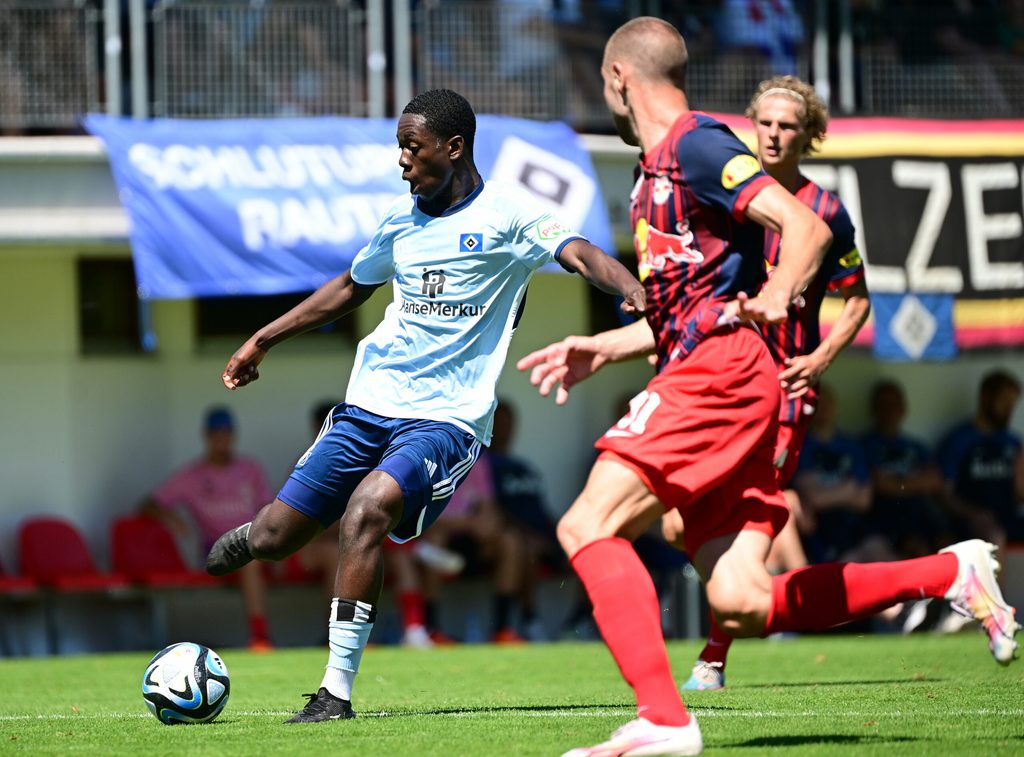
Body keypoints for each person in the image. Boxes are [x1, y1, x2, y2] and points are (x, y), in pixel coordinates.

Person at [517, 18, 1018, 756]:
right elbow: (689, 308)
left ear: (619, 77)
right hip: (721, 370)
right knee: (741, 600)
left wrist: (782, 291)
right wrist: (610, 344)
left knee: (586, 524)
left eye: (604, 86)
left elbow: (805, 231)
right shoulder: (654, 170)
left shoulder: (696, 143)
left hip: (724, 374)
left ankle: (662, 718)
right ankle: (951, 570)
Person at [202, 88, 646, 723]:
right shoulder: (401, 221)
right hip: (367, 405)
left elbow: (579, 251)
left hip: (447, 419)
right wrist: (261, 339)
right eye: (399, 148)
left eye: (412, 147)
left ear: (454, 147)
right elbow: (349, 287)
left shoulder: (507, 218)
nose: (402, 160)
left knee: (368, 510)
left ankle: (334, 692)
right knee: (277, 538)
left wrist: (629, 287)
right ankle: (256, 536)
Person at [667, 74, 873, 692]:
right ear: (752, 127)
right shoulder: (731, 202)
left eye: (789, 126)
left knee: (747, 512)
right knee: (679, 522)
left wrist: (821, 358)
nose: (775, 135)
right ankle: (778, 604)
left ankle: (715, 653)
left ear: (809, 136)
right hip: (719, 381)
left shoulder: (826, 211)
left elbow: (857, 300)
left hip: (782, 390)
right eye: (766, 124)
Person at [139, 406, 274, 651]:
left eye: (226, 432)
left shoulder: (250, 468)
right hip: (216, 550)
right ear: (206, 436)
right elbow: (146, 505)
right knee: (249, 560)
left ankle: (335, 637)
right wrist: (170, 517)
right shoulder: (191, 475)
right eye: (215, 433)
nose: (221, 438)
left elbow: (268, 508)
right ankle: (260, 637)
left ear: (233, 435)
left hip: (257, 543)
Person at [938, 370, 1023, 546]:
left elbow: (1019, 492)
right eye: (1004, 401)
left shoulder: (1013, 443)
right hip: (970, 521)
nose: (1009, 409)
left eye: (1012, 403)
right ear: (986, 396)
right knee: (994, 535)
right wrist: (972, 513)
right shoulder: (959, 440)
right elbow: (945, 494)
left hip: (1009, 517)